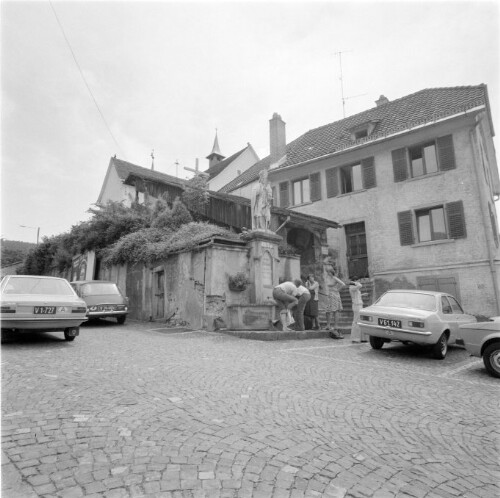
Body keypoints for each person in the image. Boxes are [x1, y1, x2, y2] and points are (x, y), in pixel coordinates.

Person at [324, 267, 345, 339]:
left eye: (329, 272)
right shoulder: (328, 278)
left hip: (335, 295)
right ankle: (328, 325)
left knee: (335, 310)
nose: (327, 273)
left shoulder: (334, 278)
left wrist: (337, 290)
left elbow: (343, 284)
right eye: (327, 272)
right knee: (327, 310)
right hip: (329, 295)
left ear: (331, 272)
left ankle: (336, 325)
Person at [349, 276, 365, 343]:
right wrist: (354, 282)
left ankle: (362, 338)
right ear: (355, 281)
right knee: (356, 321)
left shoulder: (355, 288)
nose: (358, 282)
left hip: (359, 305)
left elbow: (357, 296)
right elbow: (360, 285)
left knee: (360, 320)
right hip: (356, 305)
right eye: (357, 280)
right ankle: (355, 338)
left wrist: (363, 294)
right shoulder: (352, 287)